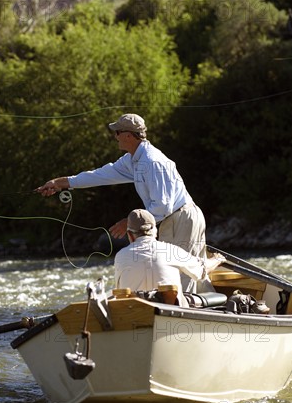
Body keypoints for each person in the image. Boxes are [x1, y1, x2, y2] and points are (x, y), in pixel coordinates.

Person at [36, 113, 207, 291]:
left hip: (181, 218)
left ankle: (187, 315)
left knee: (183, 278)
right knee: (194, 274)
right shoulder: (132, 160)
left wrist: (129, 223)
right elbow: (99, 175)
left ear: (128, 135)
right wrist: (59, 183)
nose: (115, 136)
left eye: (117, 132)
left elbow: (163, 207)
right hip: (174, 218)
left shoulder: (151, 161)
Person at [114, 209, 224, 305]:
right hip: (171, 316)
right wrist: (217, 259)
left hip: (135, 316)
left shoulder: (120, 257)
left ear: (129, 234)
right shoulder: (171, 250)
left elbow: (120, 291)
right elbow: (202, 270)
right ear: (155, 231)